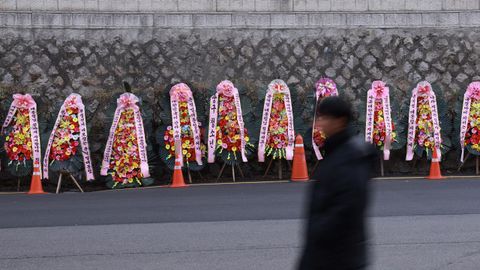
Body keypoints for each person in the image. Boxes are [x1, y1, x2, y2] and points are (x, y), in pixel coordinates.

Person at [298, 96, 376, 270]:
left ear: (340, 121)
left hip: (338, 256)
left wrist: (318, 233)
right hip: (330, 253)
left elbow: (345, 209)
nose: (319, 122)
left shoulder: (349, 158)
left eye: (324, 117)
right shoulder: (336, 152)